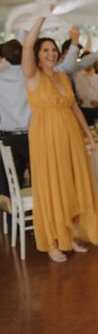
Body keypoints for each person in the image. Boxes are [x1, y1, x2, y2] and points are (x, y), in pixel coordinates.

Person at [21, 13, 98, 263]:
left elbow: (75, 107)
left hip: (70, 137)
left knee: (71, 184)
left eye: (53, 49)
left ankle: (72, 235)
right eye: (45, 50)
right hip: (46, 138)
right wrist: (41, 19)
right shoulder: (32, 76)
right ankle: (54, 242)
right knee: (52, 186)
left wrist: (89, 135)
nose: (51, 53)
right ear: (36, 54)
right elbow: (26, 47)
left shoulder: (63, 76)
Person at [0, 40, 31, 218]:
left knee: (12, 181)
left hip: (9, 138)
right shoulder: (30, 75)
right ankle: (41, 221)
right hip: (32, 134)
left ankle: (13, 220)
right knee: (41, 179)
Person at [73, 53, 98, 126]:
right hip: (81, 110)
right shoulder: (76, 76)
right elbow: (72, 92)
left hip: (95, 111)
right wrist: (77, 100)